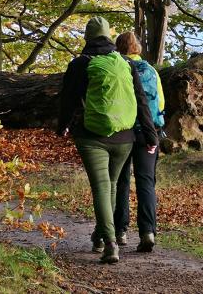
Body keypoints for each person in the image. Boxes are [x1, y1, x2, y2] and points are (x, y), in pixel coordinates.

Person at [57, 17, 158, 263]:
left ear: (87, 38)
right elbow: (141, 100)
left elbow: (67, 99)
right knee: (111, 185)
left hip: (92, 136)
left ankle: (110, 243)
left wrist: (62, 126)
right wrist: (150, 134)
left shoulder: (80, 64)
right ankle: (101, 235)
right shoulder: (124, 62)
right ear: (109, 37)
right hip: (124, 137)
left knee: (102, 186)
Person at [113, 31, 165, 252]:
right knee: (146, 182)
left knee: (121, 181)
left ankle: (120, 231)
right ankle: (148, 231)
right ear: (138, 48)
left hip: (124, 131)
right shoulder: (151, 70)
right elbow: (160, 101)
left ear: (118, 48)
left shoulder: (117, 67)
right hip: (149, 131)